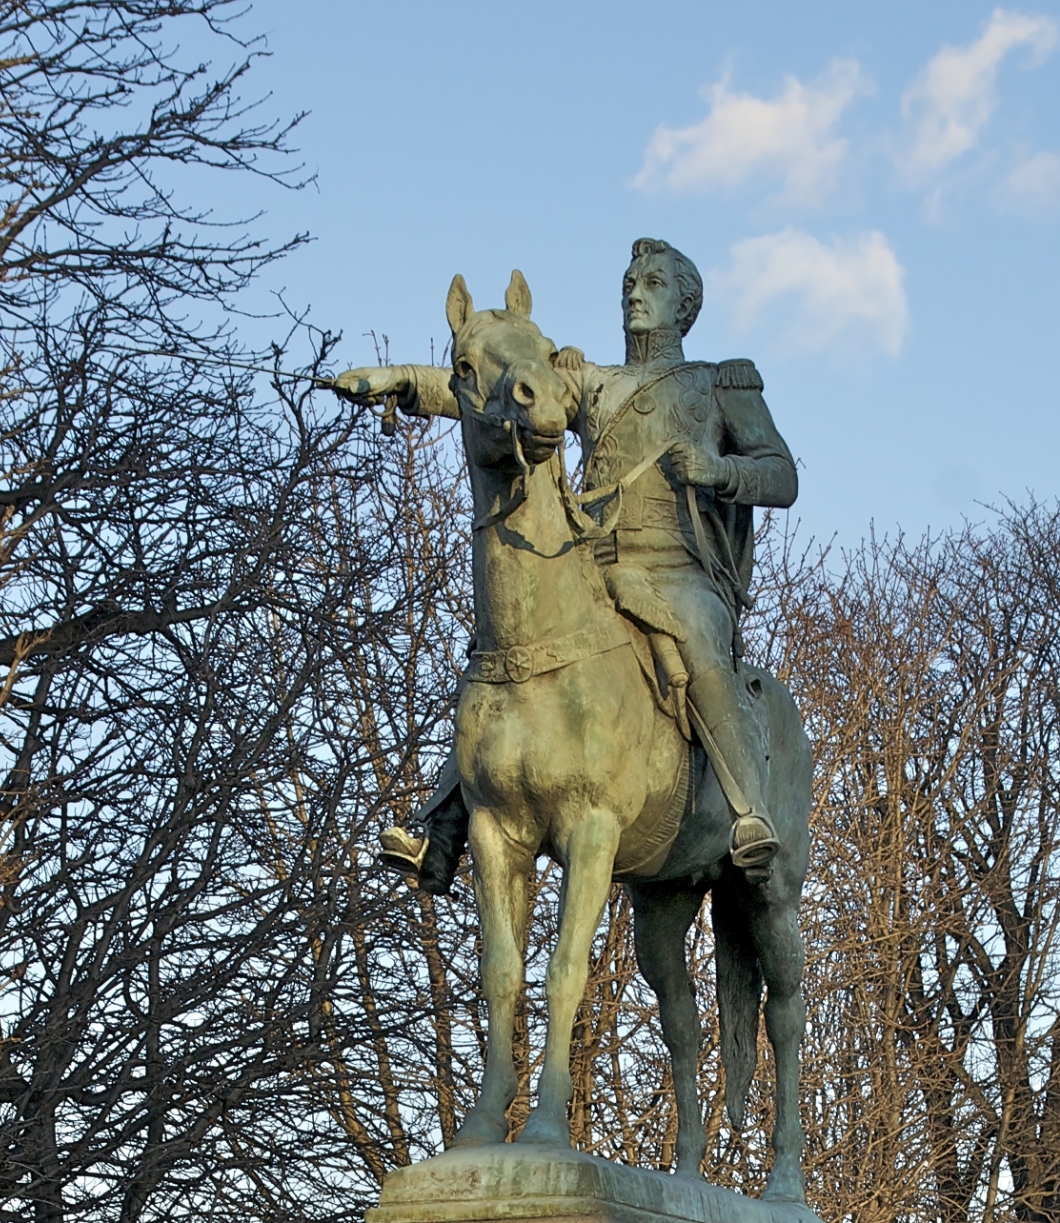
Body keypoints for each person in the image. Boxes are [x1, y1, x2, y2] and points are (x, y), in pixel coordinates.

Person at [335, 237, 798, 890]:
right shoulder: (589, 381)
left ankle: (748, 812)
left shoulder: (716, 382)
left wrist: (719, 469)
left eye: (654, 283)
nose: (635, 292)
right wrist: (406, 381)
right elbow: (495, 389)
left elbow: (780, 474)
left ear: (684, 304)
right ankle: (440, 825)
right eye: (630, 282)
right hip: (594, 564)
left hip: (676, 571)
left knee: (697, 642)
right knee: (501, 653)